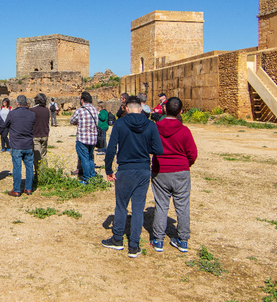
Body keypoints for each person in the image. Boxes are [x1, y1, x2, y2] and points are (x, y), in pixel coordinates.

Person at [101, 95, 163, 258]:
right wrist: (143, 148)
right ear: (141, 108)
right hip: (143, 170)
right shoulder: (150, 125)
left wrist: (108, 169)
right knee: (137, 209)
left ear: (127, 108)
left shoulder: (120, 123)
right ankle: (134, 246)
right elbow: (158, 149)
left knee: (121, 206)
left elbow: (111, 149)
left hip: (125, 169)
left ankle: (117, 239)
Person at [150, 97, 198, 253]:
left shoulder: (155, 128)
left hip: (160, 171)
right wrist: (185, 164)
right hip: (181, 171)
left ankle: (158, 240)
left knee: (161, 205)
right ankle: (183, 240)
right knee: (182, 206)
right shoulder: (184, 131)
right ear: (180, 112)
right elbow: (192, 153)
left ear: (164, 110)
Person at [5, 95, 35, 196]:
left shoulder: (12, 114)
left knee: (17, 168)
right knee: (29, 167)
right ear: (26, 103)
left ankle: (17, 190)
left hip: (16, 145)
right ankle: (28, 189)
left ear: (17, 103)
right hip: (28, 145)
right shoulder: (32, 114)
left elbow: (6, 125)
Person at [70, 91, 99, 184]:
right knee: (90, 158)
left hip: (82, 138)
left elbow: (72, 120)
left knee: (84, 159)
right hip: (93, 139)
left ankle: (87, 179)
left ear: (82, 100)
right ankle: (92, 176)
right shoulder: (95, 110)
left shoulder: (80, 110)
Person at [30, 93, 50, 173]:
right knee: (44, 155)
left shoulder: (32, 110)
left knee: (37, 156)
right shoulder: (46, 110)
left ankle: (39, 174)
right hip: (45, 134)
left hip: (35, 135)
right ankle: (45, 172)